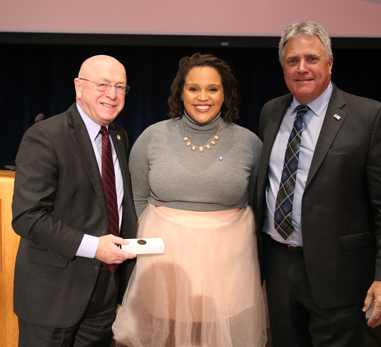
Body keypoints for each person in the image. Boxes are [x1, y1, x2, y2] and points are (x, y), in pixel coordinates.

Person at [256, 21, 381, 346]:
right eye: (292, 61)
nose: (302, 69)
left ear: (329, 62)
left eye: (311, 59)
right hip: (279, 265)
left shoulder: (369, 117)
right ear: (283, 66)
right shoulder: (271, 112)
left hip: (340, 274)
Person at [113, 53, 267, 347]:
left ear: (226, 94)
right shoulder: (152, 137)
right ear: (180, 92)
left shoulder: (250, 143)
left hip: (229, 271)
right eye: (193, 88)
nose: (202, 97)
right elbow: (136, 200)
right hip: (162, 267)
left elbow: (257, 206)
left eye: (213, 88)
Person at [12, 55, 138, 347]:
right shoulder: (45, 136)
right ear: (78, 87)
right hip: (52, 296)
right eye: (103, 84)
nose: (113, 94)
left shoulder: (118, 136)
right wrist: (96, 247)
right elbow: (28, 217)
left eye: (121, 87)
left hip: (104, 293)